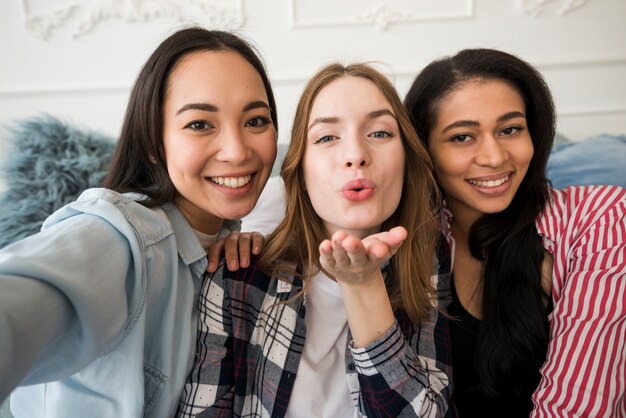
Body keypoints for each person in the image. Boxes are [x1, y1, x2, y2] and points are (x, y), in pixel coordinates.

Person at [0, 27, 278, 417]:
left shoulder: (225, 245)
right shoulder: (120, 237)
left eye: (255, 120)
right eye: (200, 124)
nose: (236, 150)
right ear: (151, 143)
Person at [176, 62, 452, 417]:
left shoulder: (426, 263)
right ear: (300, 172)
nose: (356, 155)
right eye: (326, 137)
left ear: (406, 160)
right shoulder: (237, 278)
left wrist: (363, 285)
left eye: (380, 133)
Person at [404, 48, 626, 417]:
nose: (494, 157)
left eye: (510, 130)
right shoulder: (411, 239)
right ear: (424, 150)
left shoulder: (602, 217)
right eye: (462, 137)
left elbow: (581, 406)